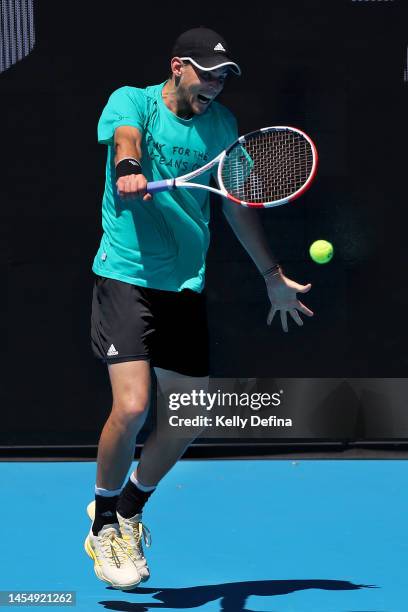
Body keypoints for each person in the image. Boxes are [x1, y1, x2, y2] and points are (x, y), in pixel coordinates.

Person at [84, 26, 314, 590]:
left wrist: (272, 277)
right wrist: (127, 170)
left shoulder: (223, 128)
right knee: (134, 406)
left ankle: (131, 507)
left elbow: (237, 207)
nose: (215, 84)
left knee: (191, 415)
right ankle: (106, 522)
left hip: (183, 286)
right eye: (206, 73)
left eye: (224, 76)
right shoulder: (131, 100)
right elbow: (126, 140)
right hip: (127, 277)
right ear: (177, 66)